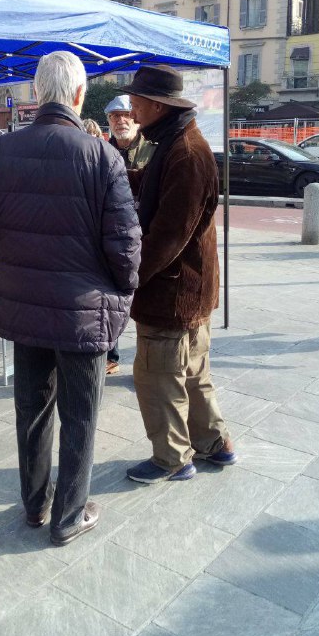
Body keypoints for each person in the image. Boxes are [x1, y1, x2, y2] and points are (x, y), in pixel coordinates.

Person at [0, 51, 141, 545]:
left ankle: (35, 507)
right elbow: (125, 242)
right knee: (80, 414)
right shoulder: (103, 157)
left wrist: (3, 250)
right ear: (79, 97)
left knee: (31, 410)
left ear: (36, 94)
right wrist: (122, 289)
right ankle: (69, 517)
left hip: (25, 305)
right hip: (83, 311)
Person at [118, 64, 236, 484]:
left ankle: (172, 458)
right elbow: (150, 184)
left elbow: (169, 236)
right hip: (191, 289)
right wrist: (117, 176)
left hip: (174, 292)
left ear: (157, 105)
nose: (131, 110)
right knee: (193, 372)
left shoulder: (185, 152)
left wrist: (128, 277)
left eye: (135, 104)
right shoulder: (176, 142)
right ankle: (215, 444)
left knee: (156, 375)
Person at [104, 94, 156, 374]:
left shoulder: (153, 149)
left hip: (145, 235)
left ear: (135, 118)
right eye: (114, 117)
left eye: (125, 115)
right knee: (112, 299)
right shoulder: (103, 150)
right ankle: (111, 354)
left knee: (143, 300)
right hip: (112, 236)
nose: (120, 121)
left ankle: (145, 360)